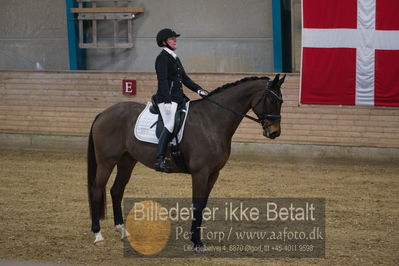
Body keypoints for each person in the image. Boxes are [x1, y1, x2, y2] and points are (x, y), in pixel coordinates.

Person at [154, 28, 208, 172]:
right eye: (171, 39)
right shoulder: (162, 58)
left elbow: (184, 78)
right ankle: (159, 159)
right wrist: (166, 101)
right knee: (170, 125)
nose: (175, 41)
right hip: (167, 100)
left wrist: (199, 89)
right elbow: (162, 81)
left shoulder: (175, 58)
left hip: (179, 99)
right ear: (164, 42)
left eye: (175, 39)